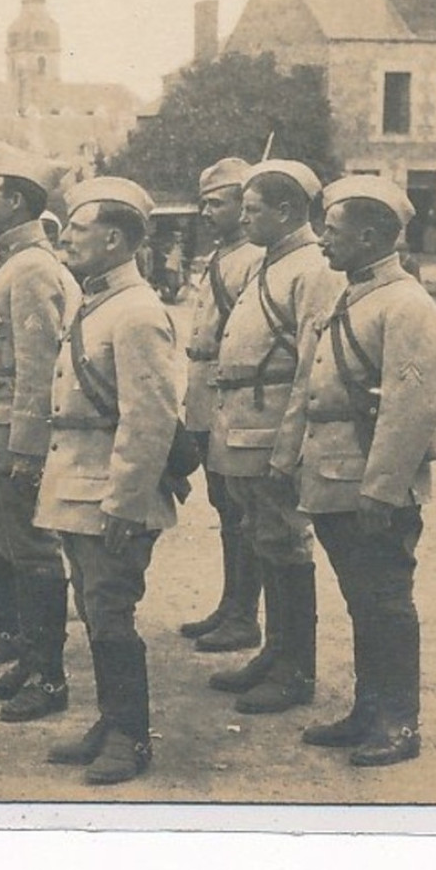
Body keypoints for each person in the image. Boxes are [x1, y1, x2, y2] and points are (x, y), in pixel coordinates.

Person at [271, 176, 436, 766]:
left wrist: (383, 490)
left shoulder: (407, 305)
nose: (322, 241)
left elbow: (410, 408)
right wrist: (287, 457)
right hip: (333, 475)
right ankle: (367, 711)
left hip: (372, 485)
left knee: (386, 603)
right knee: (360, 599)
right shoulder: (347, 296)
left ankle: (400, 723)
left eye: (334, 231)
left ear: (371, 236)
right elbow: (308, 382)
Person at [37, 177, 185, 784]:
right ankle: (110, 719)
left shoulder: (138, 312)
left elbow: (149, 416)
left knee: (112, 611)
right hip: (77, 480)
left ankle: (131, 736)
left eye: (78, 229)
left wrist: (124, 503)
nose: (67, 238)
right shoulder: (95, 300)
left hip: (110, 490)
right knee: (93, 609)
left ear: (115, 239)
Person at [205, 160, 343, 714]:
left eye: (253, 208)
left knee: (286, 543)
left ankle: (295, 670)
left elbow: (313, 367)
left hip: (273, 430)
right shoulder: (271, 264)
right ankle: (275, 651)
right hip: (245, 426)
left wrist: (290, 448)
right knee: (262, 537)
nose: (243, 218)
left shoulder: (311, 269)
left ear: (286, 212)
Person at [0, 147, 80, 722]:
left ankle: (49, 676)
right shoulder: (10, 262)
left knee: (31, 549)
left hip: (11, 430)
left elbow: (38, 366)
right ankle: (29, 658)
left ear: (20, 203)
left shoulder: (31, 268)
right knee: (6, 542)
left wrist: (28, 447)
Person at [176, 158, 265, 652]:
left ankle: (244, 615)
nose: (207, 211)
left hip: (232, 392)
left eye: (218, 203)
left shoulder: (252, 257)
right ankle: (231, 604)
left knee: (243, 508)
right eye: (204, 202)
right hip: (207, 390)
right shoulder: (222, 255)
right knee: (224, 506)